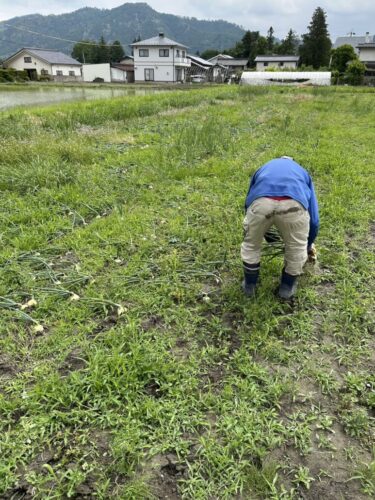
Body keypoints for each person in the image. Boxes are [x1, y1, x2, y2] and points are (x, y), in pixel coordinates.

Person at [241, 156, 319, 299]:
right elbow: (314, 220)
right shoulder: (302, 172)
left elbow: (248, 201)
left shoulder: (263, 167)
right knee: (296, 249)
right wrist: (307, 245)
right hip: (293, 206)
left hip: (260, 204)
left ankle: (249, 285)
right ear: (292, 161)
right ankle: (286, 288)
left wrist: (262, 231)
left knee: (251, 245)